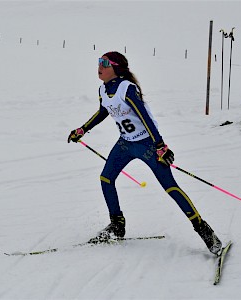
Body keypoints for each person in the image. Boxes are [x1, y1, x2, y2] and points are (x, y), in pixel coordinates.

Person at [67, 51, 222, 255]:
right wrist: (82, 129)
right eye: (99, 62)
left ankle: (206, 232)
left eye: (105, 63)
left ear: (116, 68)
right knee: (106, 178)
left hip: (147, 145)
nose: (100, 66)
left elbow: (145, 117)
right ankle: (117, 225)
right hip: (125, 144)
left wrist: (160, 145)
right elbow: (103, 112)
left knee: (170, 187)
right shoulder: (103, 90)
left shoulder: (127, 89)